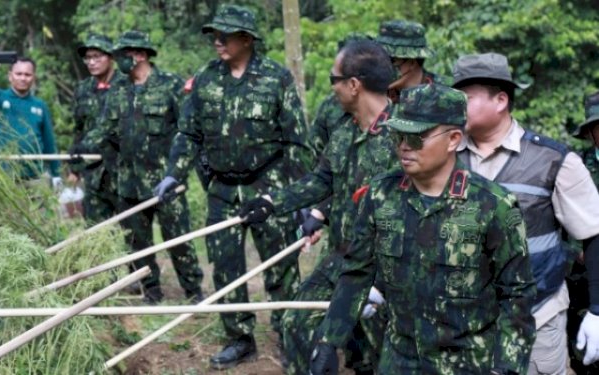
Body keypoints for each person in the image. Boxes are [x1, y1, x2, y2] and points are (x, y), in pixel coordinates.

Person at [310, 83, 537, 375]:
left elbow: (517, 294)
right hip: (399, 358)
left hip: (468, 362)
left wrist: (506, 368)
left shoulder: (493, 205)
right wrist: (330, 339)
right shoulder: (380, 196)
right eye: (399, 135)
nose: (405, 146)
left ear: (453, 139)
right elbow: (356, 273)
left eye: (417, 137)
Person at [156, 5, 312, 370]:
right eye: (214, 35)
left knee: (282, 264)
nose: (217, 42)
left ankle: (288, 333)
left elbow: (296, 141)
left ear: (247, 39)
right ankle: (239, 338)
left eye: (225, 36)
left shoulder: (276, 78)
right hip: (223, 191)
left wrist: (303, 195)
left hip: (268, 186)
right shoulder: (206, 79)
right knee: (225, 267)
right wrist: (173, 173)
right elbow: (188, 134)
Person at [240, 39, 395, 374]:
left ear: (354, 85)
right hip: (342, 256)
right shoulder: (345, 132)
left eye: (333, 79)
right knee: (297, 321)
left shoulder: (404, 140)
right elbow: (321, 180)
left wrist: (381, 285)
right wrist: (270, 202)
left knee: (375, 351)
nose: (332, 88)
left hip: (387, 267)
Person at [452, 53, 599, 374]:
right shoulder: (444, 159)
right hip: (462, 325)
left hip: (536, 319)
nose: (455, 106)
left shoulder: (553, 161)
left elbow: (594, 234)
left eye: (465, 98)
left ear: (501, 100)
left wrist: (598, 311)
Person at [78, 30, 204, 304]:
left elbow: (189, 130)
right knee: (137, 241)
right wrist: (83, 147)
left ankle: (194, 292)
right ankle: (151, 291)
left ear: (141, 54)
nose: (120, 59)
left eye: (125, 54)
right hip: (129, 183)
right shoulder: (118, 89)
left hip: (165, 182)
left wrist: (180, 171)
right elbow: (105, 128)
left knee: (179, 239)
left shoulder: (170, 85)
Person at [0, 51, 60, 185]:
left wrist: (56, 174)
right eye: (18, 74)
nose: (23, 78)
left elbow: (49, 141)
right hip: (3, 175)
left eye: (27, 74)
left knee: (42, 206)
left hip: (35, 176)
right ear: (10, 76)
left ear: (33, 77)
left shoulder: (40, 105)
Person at [67, 34, 122, 224]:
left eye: (97, 57)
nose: (91, 62)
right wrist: (74, 168)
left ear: (111, 57)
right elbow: (79, 129)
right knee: (96, 228)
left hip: (122, 170)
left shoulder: (126, 85)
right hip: (93, 171)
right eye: (88, 58)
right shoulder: (82, 89)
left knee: (130, 232)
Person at [567, 91, 599, 374]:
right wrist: (575, 250)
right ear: (591, 131)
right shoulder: (575, 166)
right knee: (585, 355)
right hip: (584, 279)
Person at [376, 20, 445, 102]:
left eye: (391, 60)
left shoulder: (445, 94)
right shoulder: (372, 93)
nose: (381, 66)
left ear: (412, 62)